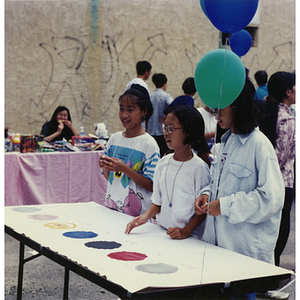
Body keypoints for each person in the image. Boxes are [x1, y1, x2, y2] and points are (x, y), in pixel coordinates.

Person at [194, 79, 285, 299]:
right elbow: (216, 181)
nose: (216, 111)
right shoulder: (226, 142)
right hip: (217, 250)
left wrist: (225, 206)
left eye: (222, 105)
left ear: (238, 105)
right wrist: (206, 194)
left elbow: (271, 199)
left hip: (243, 255)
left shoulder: (259, 145)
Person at [125, 105, 211, 240]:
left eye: (171, 128)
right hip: (163, 234)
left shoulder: (199, 168)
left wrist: (185, 231)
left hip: (190, 239)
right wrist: (143, 217)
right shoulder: (162, 163)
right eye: (164, 127)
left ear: (188, 131)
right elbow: (158, 202)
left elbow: (202, 211)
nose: (166, 132)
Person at [99, 84, 160, 217]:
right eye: (121, 109)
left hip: (137, 216)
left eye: (130, 110)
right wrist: (105, 166)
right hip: (112, 209)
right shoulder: (114, 139)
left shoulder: (149, 144)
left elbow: (152, 185)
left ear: (144, 111)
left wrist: (124, 168)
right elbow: (109, 177)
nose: (124, 115)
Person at [255, 71, 295, 268]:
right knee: (278, 232)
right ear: (288, 92)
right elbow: (281, 157)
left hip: (261, 182)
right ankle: (270, 273)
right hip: (281, 184)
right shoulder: (287, 119)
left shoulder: (263, 108)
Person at [147, 73, 173, 157]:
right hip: (162, 131)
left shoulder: (150, 97)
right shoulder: (166, 96)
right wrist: (166, 117)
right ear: (165, 84)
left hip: (151, 130)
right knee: (163, 154)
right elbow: (173, 107)